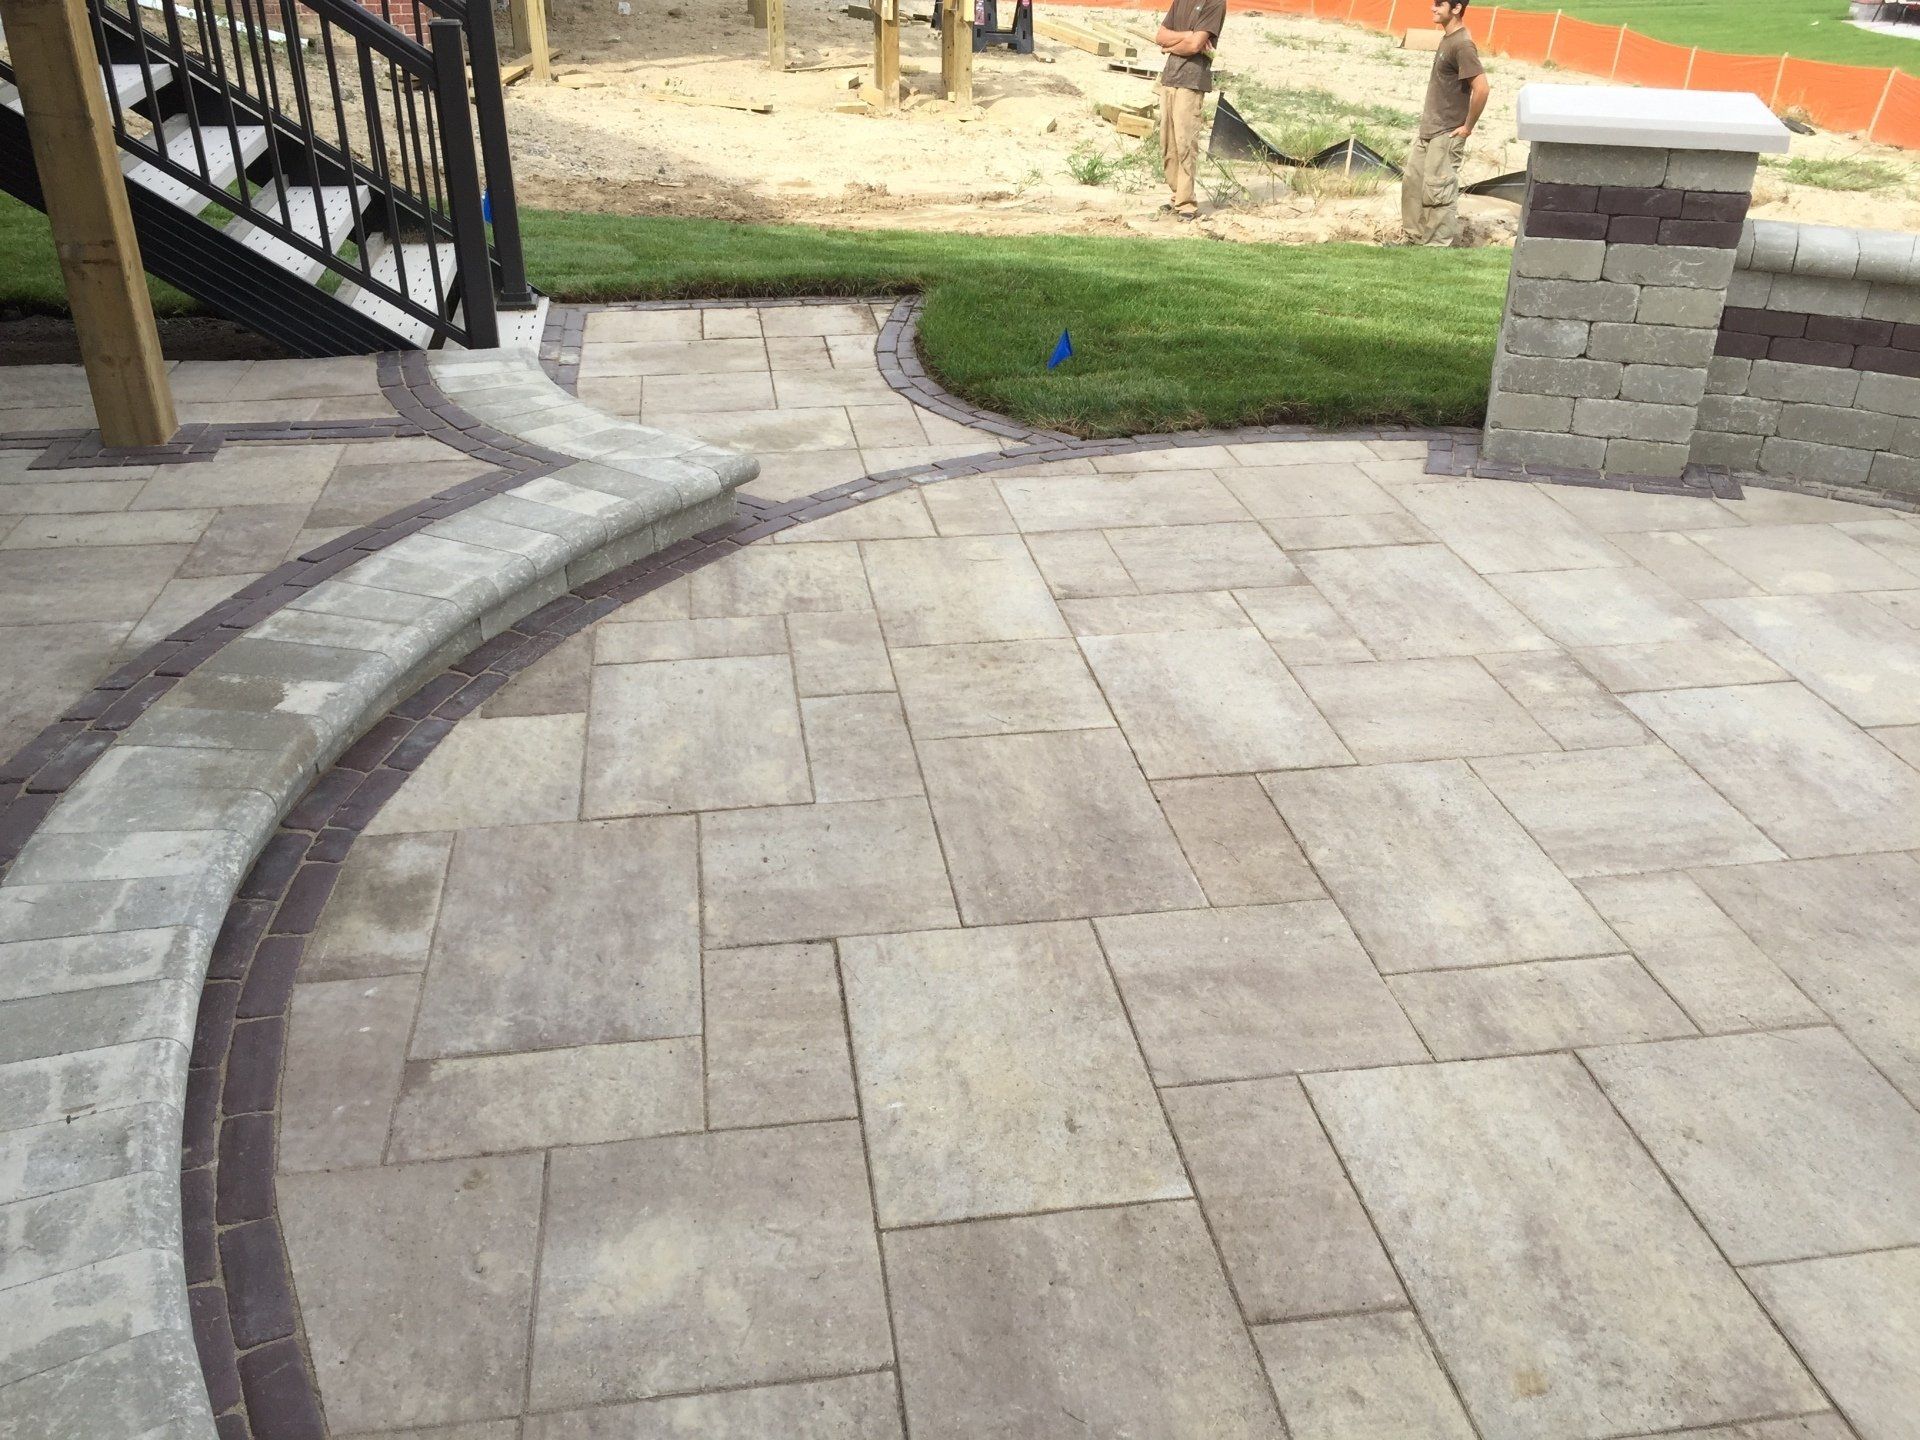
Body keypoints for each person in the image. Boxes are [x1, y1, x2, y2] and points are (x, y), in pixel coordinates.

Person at [1402, 0, 1489, 246]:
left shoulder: (1462, 44)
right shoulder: (1447, 39)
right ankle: (1414, 240)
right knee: (1413, 184)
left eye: (1440, 4)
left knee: (1437, 190)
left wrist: (1467, 127)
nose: (1433, 8)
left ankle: (1436, 247)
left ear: (1457, 8)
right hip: (1428, 130)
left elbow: (1481, 89)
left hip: (1447, 132)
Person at [1156, 0, 1225, 221]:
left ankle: (1187, 204)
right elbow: (1160, 35)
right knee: (1168, 143)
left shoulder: (1215, 3)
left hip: (1192, 81)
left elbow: (1195, 46)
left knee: (1185, 142)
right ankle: (1176, 195)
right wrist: (1186, 35)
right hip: (1170, 78)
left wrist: (1170, 46)